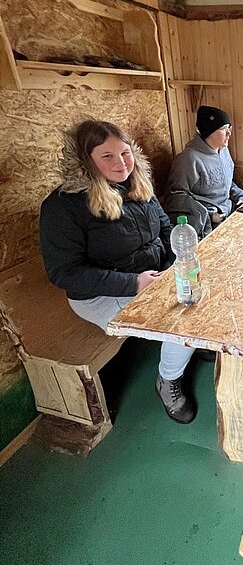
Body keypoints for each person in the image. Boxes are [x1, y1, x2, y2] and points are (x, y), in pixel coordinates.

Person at [39, 119, 198, 425]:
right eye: (107, 156)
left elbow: (164, 226)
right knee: (186, 320)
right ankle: (168, 380)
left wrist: (178, 259)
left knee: (200, 288)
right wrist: (135, 283)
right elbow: (65, 273)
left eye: (125, 153)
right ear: (86, 162)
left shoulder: (136, 185)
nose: (121, 162)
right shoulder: (62, 207)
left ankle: (192, 346)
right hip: (99, 295)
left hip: (149, 276)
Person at [163, 105, 243, 236]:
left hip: (230, 213)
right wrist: (210, 214)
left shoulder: (223, 151)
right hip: (207, 225)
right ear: (210, 132)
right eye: (224, 129)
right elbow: (175, 198)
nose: (229, 133)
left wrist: (240, 198)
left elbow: (227, 182)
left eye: (229, 128)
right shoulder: (188, 159)